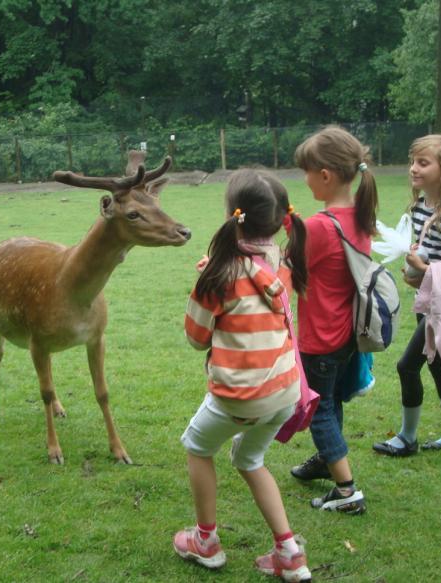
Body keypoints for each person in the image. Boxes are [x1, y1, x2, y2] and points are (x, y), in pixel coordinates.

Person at [174, 169, 312, 581]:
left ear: (233, 215)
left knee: (198, 447)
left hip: (240, 396)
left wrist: (207, 275)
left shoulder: (218, 275)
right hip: (284, 393)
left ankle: (206, 541)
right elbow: (254, 277)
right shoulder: (285, 261)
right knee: (249, 457)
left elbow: (197, 339)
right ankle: (289, 553)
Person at [288, 126, 378, 515]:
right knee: (331, 402)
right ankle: (327, 460)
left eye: (306, 171)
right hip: (344, 337)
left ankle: (346, 491)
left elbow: (294, 269)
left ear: (324, 175)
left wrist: (291, 235)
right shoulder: (357, 217)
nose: (303, 179)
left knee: (319, 410)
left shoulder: (321, 227)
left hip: (319, 338)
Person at [373, 134, 441, 457]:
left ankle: (406, 438)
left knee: (407, 366)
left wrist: (424, 266)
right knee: (437, 366)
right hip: (428, 301)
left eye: (423, 163)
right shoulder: (422, 206)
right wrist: (415, 271)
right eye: (412, 162)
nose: (413, 169)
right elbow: (428, 254)